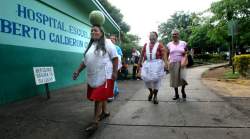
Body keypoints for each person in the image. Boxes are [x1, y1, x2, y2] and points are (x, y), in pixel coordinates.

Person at [72, 25, 118, 132]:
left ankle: (95, 122)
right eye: (91, 30)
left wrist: (115, 72)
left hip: (105, 75)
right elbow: (85, 61)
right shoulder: (91, 45)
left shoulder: (107, 43)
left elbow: (115, 57)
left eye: (95, 30)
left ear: (101, 33)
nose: (93, 32)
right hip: (93, 75)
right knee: (101, 96)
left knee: (98, 97)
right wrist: (77, 71)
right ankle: (105, 112)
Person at [138, 31, 168, 104]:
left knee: (156, 81)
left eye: (154, 36)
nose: (152, 37)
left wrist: (166, 64)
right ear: (149, 37)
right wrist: (138, 65)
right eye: (151, 36)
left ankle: (155, 96)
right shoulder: (145, 45)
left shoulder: (160, 45)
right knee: (146, 79)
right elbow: (141, 55)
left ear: (156, 37)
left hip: (157, 65)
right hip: (147, 64)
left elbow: (164, 54)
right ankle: (151, 92)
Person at [166, 29, 188, 101]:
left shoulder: (183, 43)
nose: (174, 35)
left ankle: (183, 90)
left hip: (182, 63)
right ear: (172, 36)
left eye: (176, 34)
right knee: (174, 79)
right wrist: (166, 63)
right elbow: (167, 54)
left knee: (183, 78)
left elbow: (187, 51)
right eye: (173, 34)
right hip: (173, 63)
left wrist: (185, 53)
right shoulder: (169, 44)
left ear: (178, 35)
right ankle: (176, 94)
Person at [108, 35, 123, 101]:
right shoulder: (106, 47)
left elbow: (119, 57)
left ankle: (112, 93)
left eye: (113, 39)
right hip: (107, 66)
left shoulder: (117, 48)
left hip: (114, 65)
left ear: (115, 41)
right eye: (110, 39)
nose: (111, 40)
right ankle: (115, 91)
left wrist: (118, 66)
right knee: (109, 78)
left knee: (113, 78)